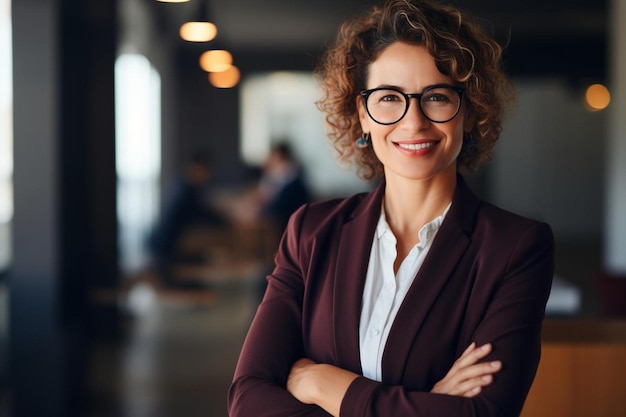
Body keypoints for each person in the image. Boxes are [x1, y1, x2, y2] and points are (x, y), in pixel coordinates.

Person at [228, 0, 554, 416]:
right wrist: (427, 405)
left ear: (469, 112)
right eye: (388, 98)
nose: (413, 122)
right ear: (362, 113)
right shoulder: (310, 230)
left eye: (436, 97)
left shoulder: (515, 247)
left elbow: (484, 413)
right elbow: (247, 401)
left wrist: (324, 383)